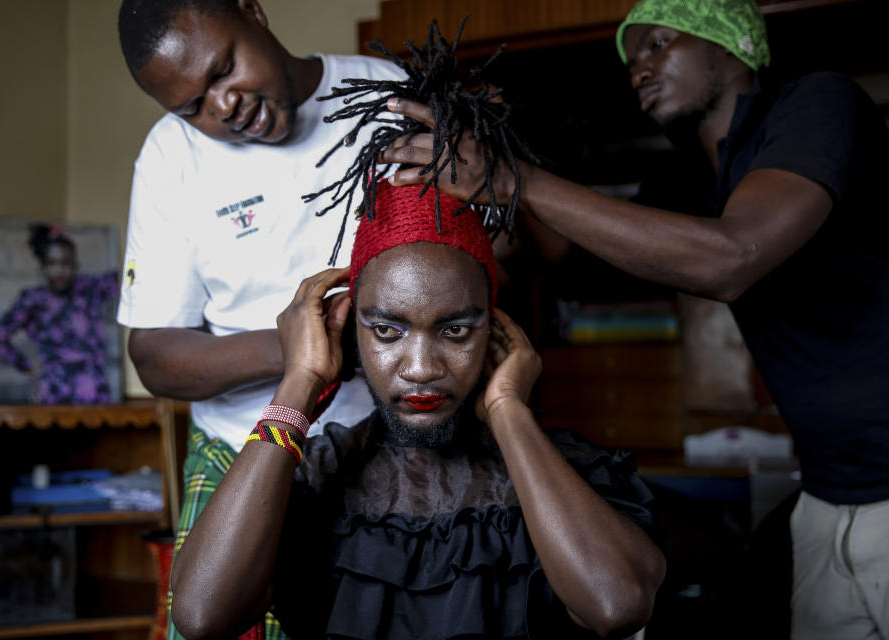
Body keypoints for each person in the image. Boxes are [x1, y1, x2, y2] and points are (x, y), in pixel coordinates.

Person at [380, 1, 889, 638]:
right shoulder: (692, 179)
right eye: (630, 60)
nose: (638, 70)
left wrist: (514, 180)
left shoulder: (819, 104)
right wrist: (494, 145)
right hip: (827, 494)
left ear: (728, 45)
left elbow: (732, 257)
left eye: (657, 45)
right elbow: (570, 257)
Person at [169, 179, 666, 640]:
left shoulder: (568, 472)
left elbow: (616, 604)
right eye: (387, 331)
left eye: (455, 330)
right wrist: (299, 382)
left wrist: (508, 410)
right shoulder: (315, 475)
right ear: (349, 332)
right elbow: (202, 615)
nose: (422, 367)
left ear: (493, 330)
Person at [115, 0, 404, 636]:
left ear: (253, 12)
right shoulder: (170, 156)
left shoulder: (384, 97)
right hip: (241, 447)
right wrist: (304, 347)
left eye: (223, 69)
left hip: (398, 440)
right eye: (192, 105)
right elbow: (154, 355)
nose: (221, 106)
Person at [0, 223, 118, 404]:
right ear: (43, 267)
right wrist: (28, 369)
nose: (59, 270)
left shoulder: (89, 289)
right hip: (55, 392)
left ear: (75, 266)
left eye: (65, 263)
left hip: (93, 392)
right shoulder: (34, 300)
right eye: (52, 263)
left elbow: (125, 278)